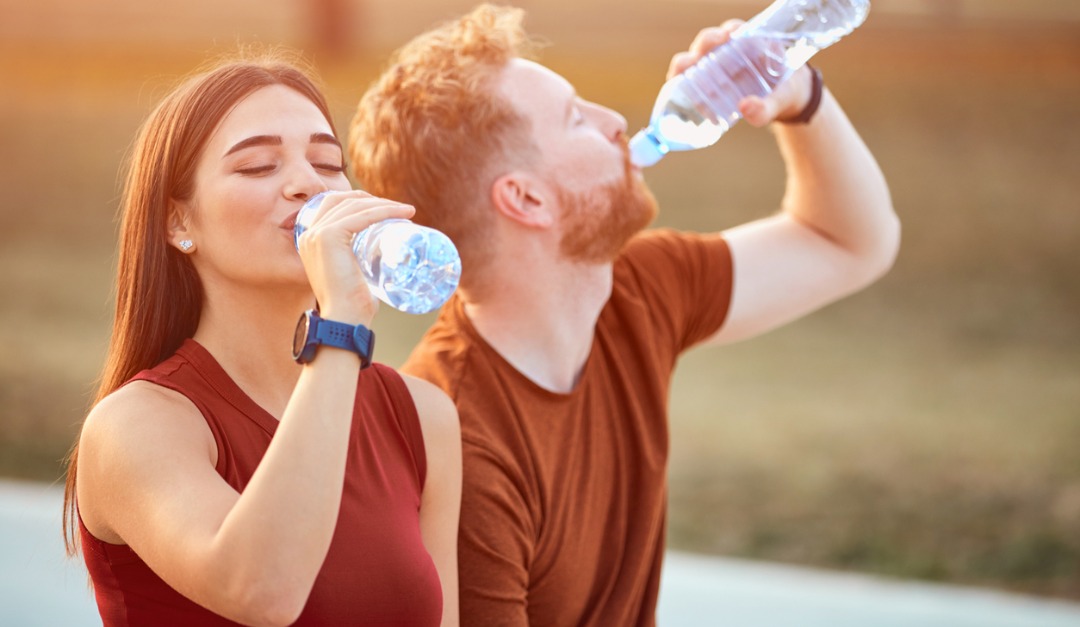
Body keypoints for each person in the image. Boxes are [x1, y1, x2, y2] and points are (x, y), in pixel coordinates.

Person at [349, 4, 899, 626]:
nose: (615, 122)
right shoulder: (460, 443)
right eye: (576, 118)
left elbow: (853, 242)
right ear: (525, 198)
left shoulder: (636, 289)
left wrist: (800, 99)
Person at [62, 50, 461, 627]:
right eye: (257, 167)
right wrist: (341, 323)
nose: (307, 185)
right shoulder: (135, 427)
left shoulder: (422, 417)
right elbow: (261, 591)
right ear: (179, 222)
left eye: (328, 163)